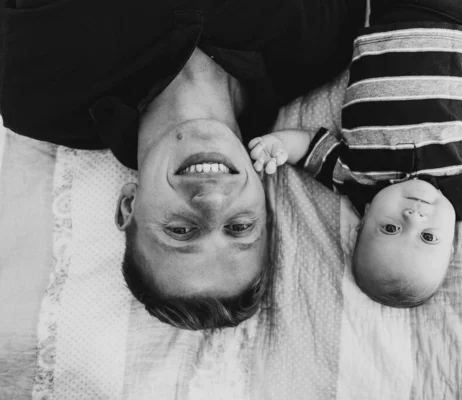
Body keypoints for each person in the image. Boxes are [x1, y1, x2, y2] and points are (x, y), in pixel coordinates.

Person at [0, 0, 366, 329]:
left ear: (129, 206)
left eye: (180, 231)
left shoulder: (34, 92)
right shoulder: (321, 40)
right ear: (264, 202)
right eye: (239, 226)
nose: (212, 202)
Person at [248, 0, 462, 308]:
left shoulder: (354, 176)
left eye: (390, 229)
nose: (414, 218)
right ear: (452, 242)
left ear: (364, 221)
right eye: (429, 237)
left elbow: (306, 148)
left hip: (393, 18)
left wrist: (277, 145)